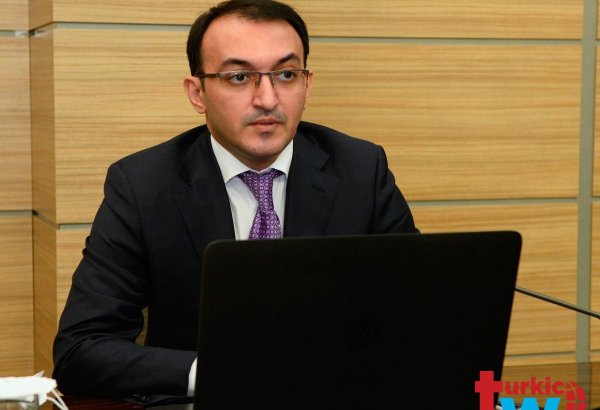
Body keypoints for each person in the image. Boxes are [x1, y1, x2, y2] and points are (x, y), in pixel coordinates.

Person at [52, 0, 418, 405]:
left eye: (286, 74)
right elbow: (81, 350)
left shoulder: (361, 171)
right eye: (239, 77)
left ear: (307, 85)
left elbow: (421, 314)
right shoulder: (143, 186)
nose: (267, 99)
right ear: (198, 93)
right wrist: (218, 371)